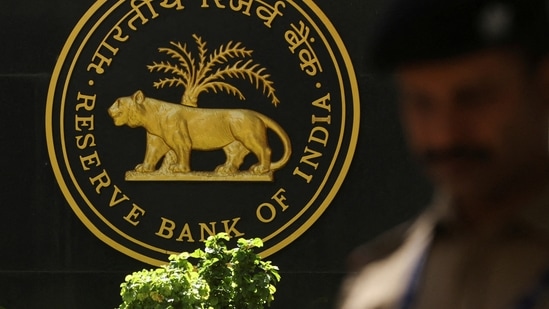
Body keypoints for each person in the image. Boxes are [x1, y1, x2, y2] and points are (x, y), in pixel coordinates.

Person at [338, 0, 549, 308]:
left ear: (544, 86)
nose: (445, 135)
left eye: (473, 98)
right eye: (421, 103)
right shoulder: (378, 285)